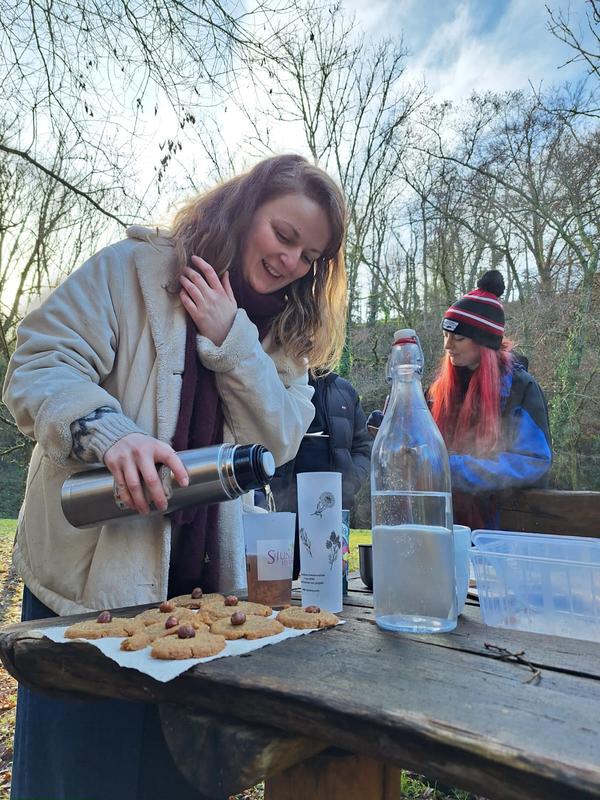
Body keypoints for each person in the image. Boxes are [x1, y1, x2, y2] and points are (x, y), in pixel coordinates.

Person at [3, 153, 347, 800]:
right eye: (284, 235)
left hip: (201, 604)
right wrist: (112, 433)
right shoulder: (131, 271)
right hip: (88, 593)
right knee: (75, 784)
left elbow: (277, 440)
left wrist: (233, 339)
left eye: (311, 256)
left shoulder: (286, 339)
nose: (292, 263)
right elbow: (39, 365)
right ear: (245, 210)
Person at [428, 269, 552, 530]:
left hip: (505, 531)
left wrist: (452, 469)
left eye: (458, 337)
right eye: (445, 335)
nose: (447, 345)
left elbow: (532, 461)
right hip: (447, 526)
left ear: (483, 343)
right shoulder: (440, 389)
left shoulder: (520, 388)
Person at [267, 371, 372, 577]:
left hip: (332, 513)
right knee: (278, 589)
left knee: (330, 582)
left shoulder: (345, 391)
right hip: (281, 514)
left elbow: (363, 446)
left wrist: (350, 482)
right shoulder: (275, 381)